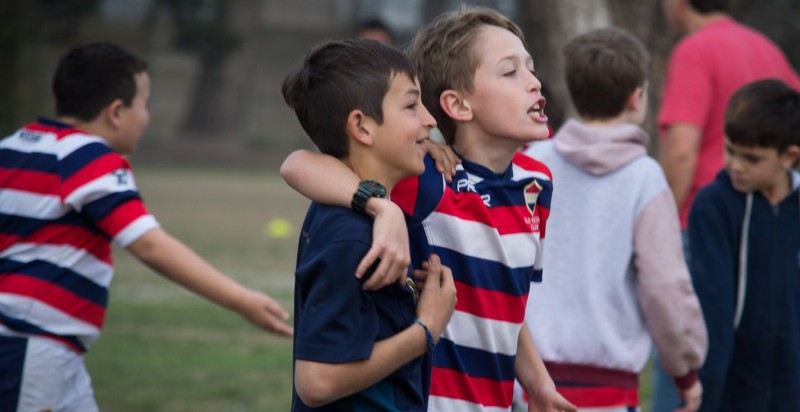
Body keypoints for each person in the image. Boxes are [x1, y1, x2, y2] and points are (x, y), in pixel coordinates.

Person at [280, 7, 577, 412]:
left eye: (531, 68)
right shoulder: (425, 177)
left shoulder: (537, 183)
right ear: (457, 105)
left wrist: (539, 386)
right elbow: (298, 165)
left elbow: (505, 302)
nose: (533, 82)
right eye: (510, 72)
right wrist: (383, 207)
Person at [0, 42, 293, 411]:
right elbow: (148, 245)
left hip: (43, 347)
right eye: (146, 104)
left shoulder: (13, 145)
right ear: (117, 113)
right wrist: (241, 300)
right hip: (32, 347)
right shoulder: (91, 158)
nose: (148, 115)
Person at [653, 1, 800, 409]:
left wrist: (658, 231)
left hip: (697, 228)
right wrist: (768, 172)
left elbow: (681, 152)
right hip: (758, 233)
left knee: (684, 369)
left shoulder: (694, 50)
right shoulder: (763, 46)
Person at [521, 27, 707, 412]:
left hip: (525, 381)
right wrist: (685, 371)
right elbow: (664, 287)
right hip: (609, 391)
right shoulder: (645, 178)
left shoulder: (531, 164)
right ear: (637, 98)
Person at [282, 38, 456, 410]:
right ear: (361, 127)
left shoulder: (355, 209)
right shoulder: (353, 236)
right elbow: (317, 380)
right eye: (412, 105)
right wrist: (426, 328)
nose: (429, 119)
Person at [687, 79, 800, 412]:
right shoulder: (713, 206)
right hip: (727, 401)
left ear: (790, 156)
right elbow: (713, 316)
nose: (736, 166)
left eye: (751, 158)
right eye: (730, 150)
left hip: (795, 400)